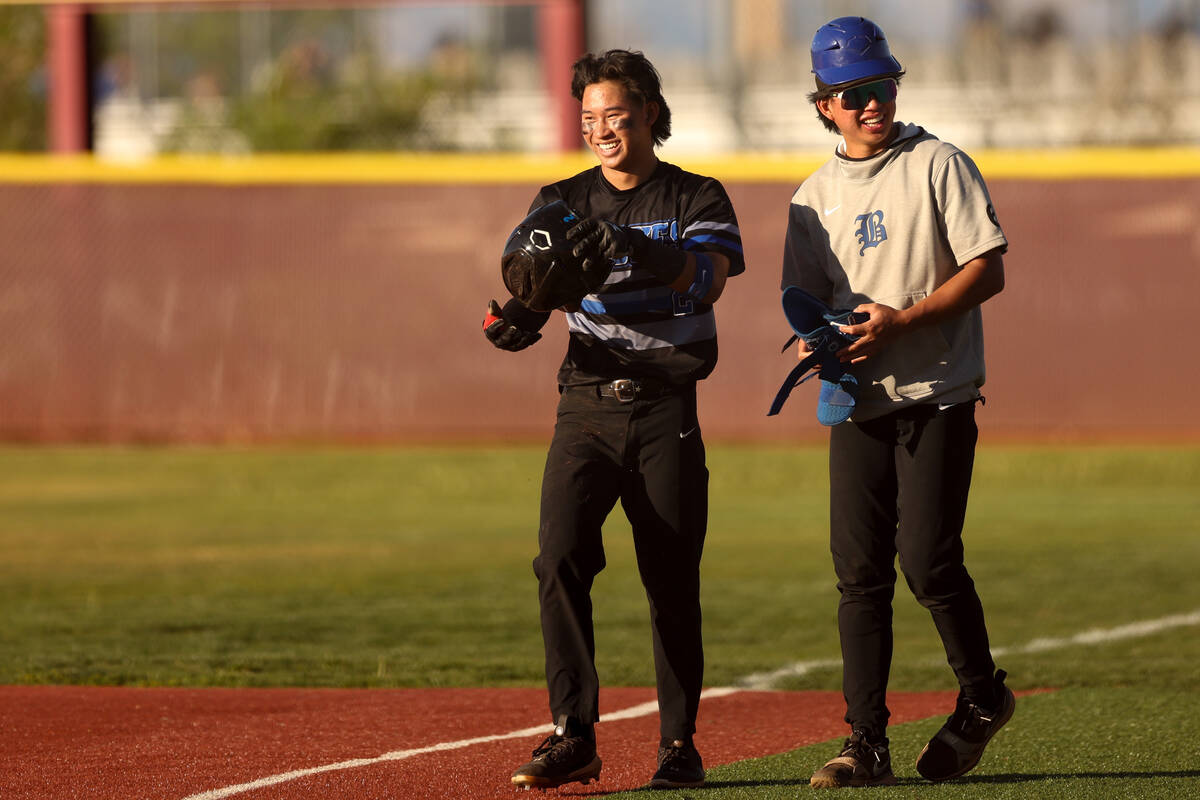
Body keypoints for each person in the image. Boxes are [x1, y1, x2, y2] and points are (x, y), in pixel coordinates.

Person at [482, 49, 744, 790]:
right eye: (589, 116)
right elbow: (544, 281)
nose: (600, 128)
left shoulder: (697, 196)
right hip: (585, 407)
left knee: (669, 576)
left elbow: (707, 285)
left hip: (666, 409)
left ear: (651, 113)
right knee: (558, 559)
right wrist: (520, 319)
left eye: (615, 115)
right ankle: (573, 734)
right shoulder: (560, 198)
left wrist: (637, 249)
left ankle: (678, 745)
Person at [780, 17, 1014, 789]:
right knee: (858, 576)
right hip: (860, 405)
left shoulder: (938, 164)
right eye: (853, 95)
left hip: (940, 392)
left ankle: (982, 698)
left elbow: (988, 269)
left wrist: (903, 319)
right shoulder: (811, 198)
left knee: (929, 562)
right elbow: (805, 300)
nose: (871, 104)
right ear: (824, 106)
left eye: (881, 87)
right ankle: (865, 743)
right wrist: (823, 341)